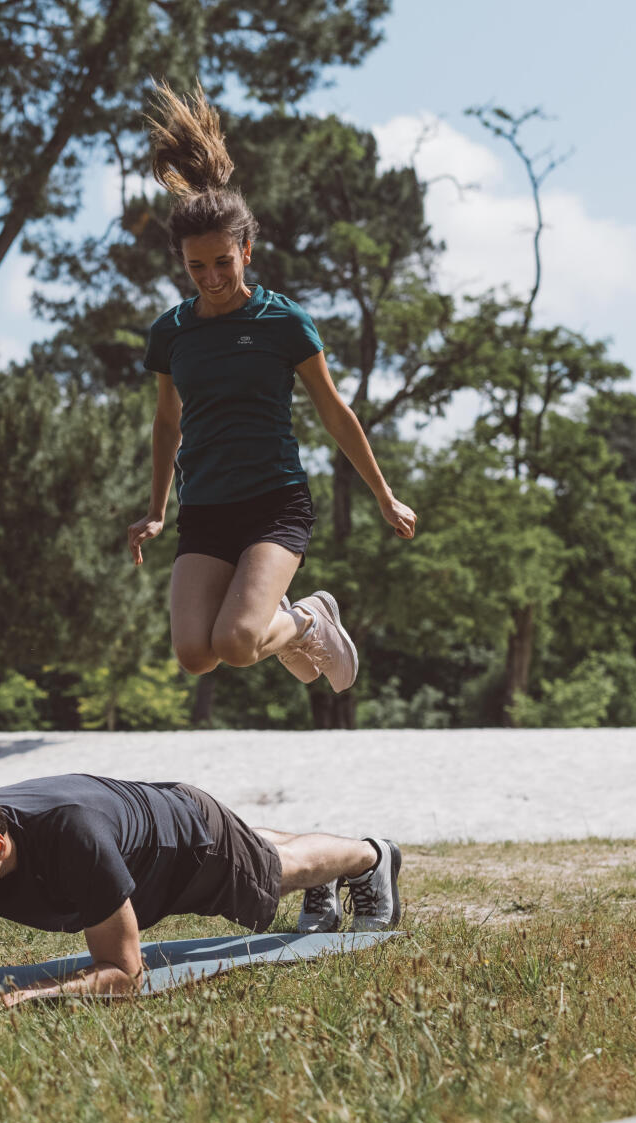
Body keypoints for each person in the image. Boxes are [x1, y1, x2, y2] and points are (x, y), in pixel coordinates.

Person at [124, 83, 417, 710]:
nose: (212, 279)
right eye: (197, 267)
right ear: (182, 262)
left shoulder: (285, 323)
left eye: (223, 263)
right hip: (206, 506)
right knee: (195, 655)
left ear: (246, 252)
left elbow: (334, 411)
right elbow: (166, 422)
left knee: (236, 642)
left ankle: (308, 621)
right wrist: (156, 509)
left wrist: (383, 493)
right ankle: (292, 623)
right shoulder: (170, 333)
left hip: (274, 503)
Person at [0, 775, 401, 1013]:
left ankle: (370, 857)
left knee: (278, 871)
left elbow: (124, 975)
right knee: (263, 852)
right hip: (147, 821)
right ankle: (327, 876)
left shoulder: (71, 840)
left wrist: (21, 998)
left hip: (189, 843)